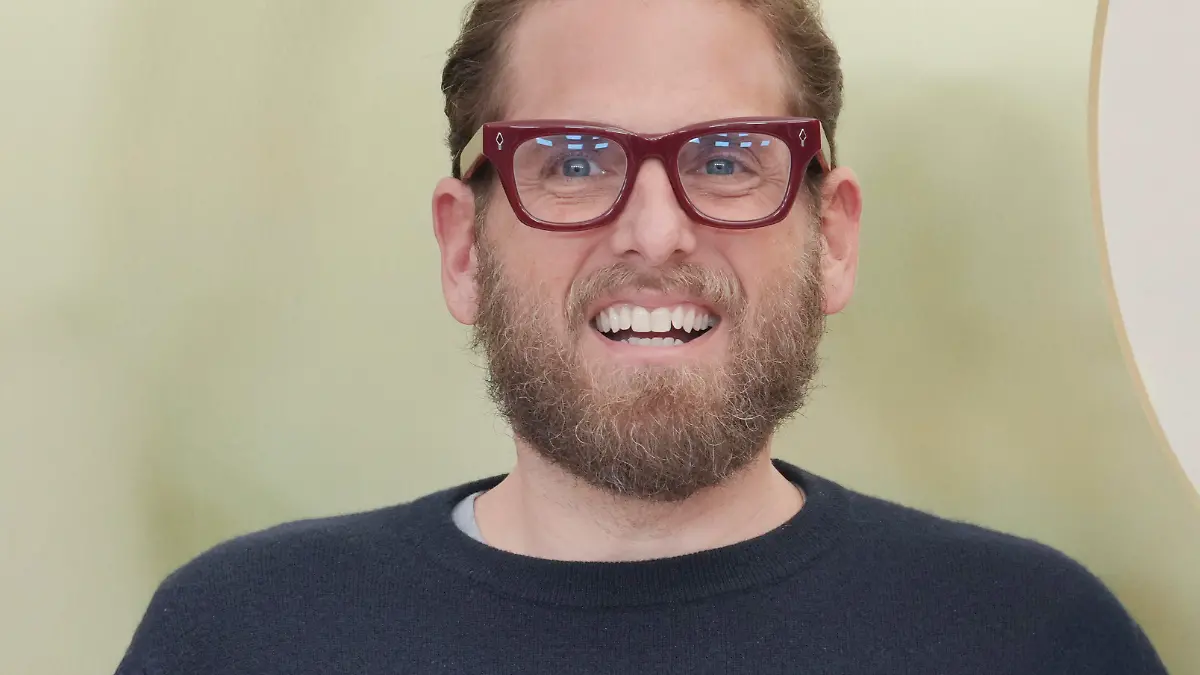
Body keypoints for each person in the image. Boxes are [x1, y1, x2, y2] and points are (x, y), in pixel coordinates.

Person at [115, 0, 1168, 673]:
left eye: (727, 159)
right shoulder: (241, 637)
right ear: (464, 249)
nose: (656, 231)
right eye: (573, 162)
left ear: (834, 239)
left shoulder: (1036, 639)